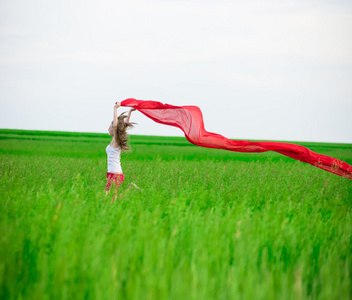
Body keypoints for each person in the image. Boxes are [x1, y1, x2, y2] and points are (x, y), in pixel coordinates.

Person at [105, 102, 136, 198]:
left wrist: (115, 109)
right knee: (112, 198)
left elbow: (116, 126)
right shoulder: (115, 141)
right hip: (113, 173)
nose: (108, 129)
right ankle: (131, 188)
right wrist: (130, 112)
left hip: (114, 173)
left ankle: (131, 189)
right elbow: (124, 127)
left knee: (108, 199)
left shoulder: (116, 141)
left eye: (110, 128)